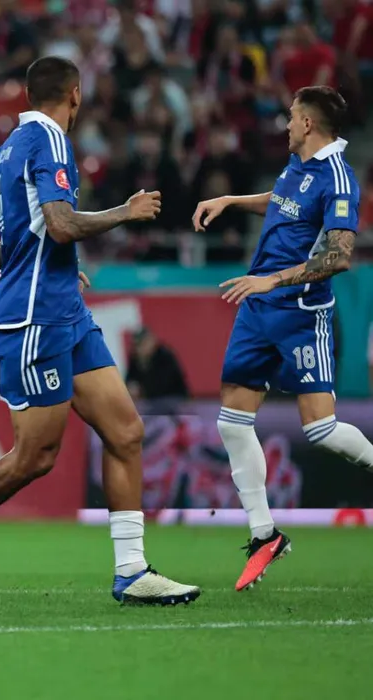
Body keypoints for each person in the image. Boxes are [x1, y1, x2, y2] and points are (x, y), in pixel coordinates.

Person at [0, 56, 200, 606]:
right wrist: (125, 212)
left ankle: (132, 571)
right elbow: (61, 226)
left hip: (65, 312)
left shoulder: (4, 151)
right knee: (34, 457)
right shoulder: (51, 142)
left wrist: (20, 259)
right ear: (75, 94)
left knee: (126, 432)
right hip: (35, 318)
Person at [193, 85, 373, 592]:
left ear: (309, 124)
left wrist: (271, 280)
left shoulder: (339, 178)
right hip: (258, 307)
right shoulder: (298, 166)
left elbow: (338, 256)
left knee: (321, 429)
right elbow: (283, 204)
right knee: (232, 421)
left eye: (292, 117)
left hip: (300, 313)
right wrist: (231, 201)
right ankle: (264, 535)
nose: (287, 124)